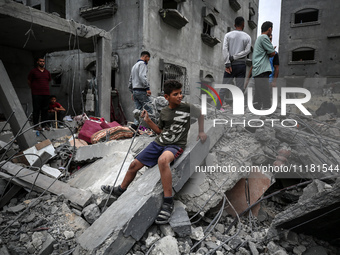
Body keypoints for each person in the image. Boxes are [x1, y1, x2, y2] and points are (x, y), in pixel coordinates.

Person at [101, 80, 207, 224]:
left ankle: (168, 202)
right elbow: (160, 131)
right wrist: (148, 121)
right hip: (160, 142)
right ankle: (121, 189)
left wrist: (201, 131)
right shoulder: (164, 112)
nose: (180, 96)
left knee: (163, 161)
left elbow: (201, 114)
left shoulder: (187, 107)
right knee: (134, 165)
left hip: (175, 145)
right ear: (167, 97)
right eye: (176, 94)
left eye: (180, 93)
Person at [216, 16, 251, 110]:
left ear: (234, 25)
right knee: (239, 89)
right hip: (241, 66)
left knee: (223, 88)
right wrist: (235, 57)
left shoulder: (228, 35)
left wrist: (228, 63)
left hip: (230, 66)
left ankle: (217, 108)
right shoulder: (247, 37)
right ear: (243, 24)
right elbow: (247, 51)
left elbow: (224, 49)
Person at [251, 21, 276, 110]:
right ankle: (267, 110)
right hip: (262, 69)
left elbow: (267, 53)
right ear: (269, 29)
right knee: (265, 92)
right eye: (271, 29)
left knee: (258, 92)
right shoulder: (264, 37)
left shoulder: (259, 38)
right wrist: (271, 50)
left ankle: (256, 109)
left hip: (257, 70)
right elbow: (272, 53)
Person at [128, 51, 153, 130]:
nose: (147, 61)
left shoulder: (134, 66)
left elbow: (130, 80)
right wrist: (147, 88)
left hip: (135, 90)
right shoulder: (142, 64)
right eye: (148, 59)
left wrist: (132, 92)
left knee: (138, 109)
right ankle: (153, 127)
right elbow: (142, 76)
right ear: (145, 56)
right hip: (141, 90)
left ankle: (135, 125)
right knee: (150, 108)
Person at [28, 57, 51, 131]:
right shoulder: (33, 71)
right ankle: (36, 125)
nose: (42, 63)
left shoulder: (47, 72)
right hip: (36, 94)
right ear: (37, 62)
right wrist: (33, 88)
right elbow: (29, 81)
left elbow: (49, 81)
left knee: (45, 110)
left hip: (46, 93)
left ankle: (44, 125)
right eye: (40, 61)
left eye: (43, 61)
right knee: (36, 110)